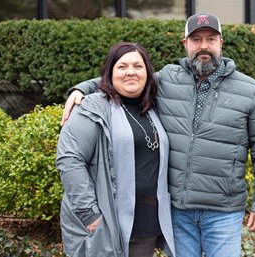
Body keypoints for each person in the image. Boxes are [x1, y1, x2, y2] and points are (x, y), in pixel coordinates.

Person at [61, 13, 255, 257]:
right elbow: (127, 77)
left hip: (223, 212)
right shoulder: (167, 80)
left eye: (211, 38)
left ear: (222, 43)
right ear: (185, 44)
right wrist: (82, 88)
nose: (204, 46)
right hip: (178, 211)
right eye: (196, 39)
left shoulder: (250, 91)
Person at [56, 42, 175, 257]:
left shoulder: (153, 107)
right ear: (110, 72)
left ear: (147, 73)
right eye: (122, 67)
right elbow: (70, 159)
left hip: (145, 224)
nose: (131, 72)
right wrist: (89, 214)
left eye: (138, 66)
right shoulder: (92, 107)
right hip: (105, 224)